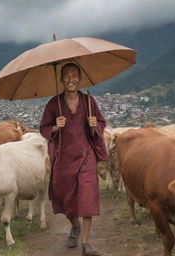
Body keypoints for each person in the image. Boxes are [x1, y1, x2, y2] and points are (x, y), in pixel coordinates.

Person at [40, 62, 107, 256]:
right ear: (61, 79)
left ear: (80, 78)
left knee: (87, 198)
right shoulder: (54, 104)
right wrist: (55, 127)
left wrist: (95, 124)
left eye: (74, 75)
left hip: (86, 156)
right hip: (64, 158)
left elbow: (101, 122)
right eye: (67, 76)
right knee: (66, 198)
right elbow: (44, 129)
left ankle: (86, 243)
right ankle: (74, 227)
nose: (71, 79)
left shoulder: (88, 101)